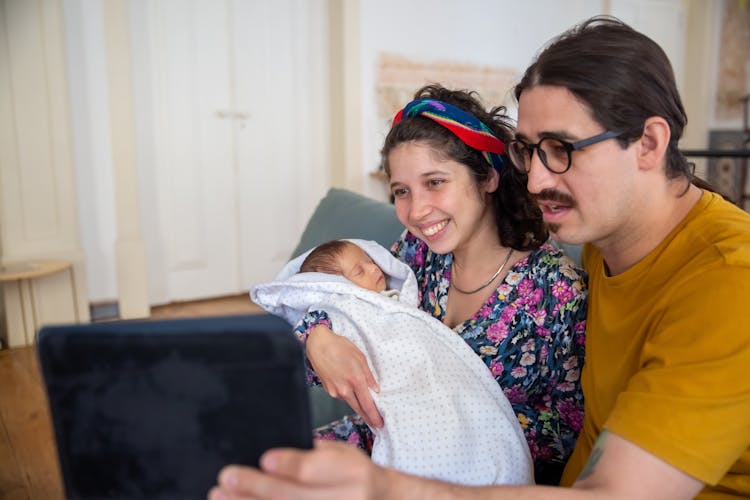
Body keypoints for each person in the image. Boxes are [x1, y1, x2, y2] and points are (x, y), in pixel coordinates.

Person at [209, 16, 750, 500]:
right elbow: (338, 299)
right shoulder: (600, 248)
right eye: (531, 151)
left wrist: (390, 479)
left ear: (650, 144)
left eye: (562, 149)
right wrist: (319, 335)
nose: (537, 179)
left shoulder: (726, 283)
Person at [285, 84, 586, 485]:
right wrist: (317, 336)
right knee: (261, 465)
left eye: (435, 182)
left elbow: (568, 427)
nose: (417, 210)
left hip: (477, 479)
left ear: (488, 177)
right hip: (376, 446)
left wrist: (448, 427)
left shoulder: (556, 290)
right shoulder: (415, 255)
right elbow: (334, 301)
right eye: (402, 191)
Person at [251, 238, 534, 485]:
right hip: (395, 418)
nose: (375, 269)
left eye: (371, 262)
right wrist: (318, 333)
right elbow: (320, 335)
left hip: (454, 411)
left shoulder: (395, 304)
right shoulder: (348, 308)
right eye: (359, 271)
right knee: (271, 465)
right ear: (337, 287)